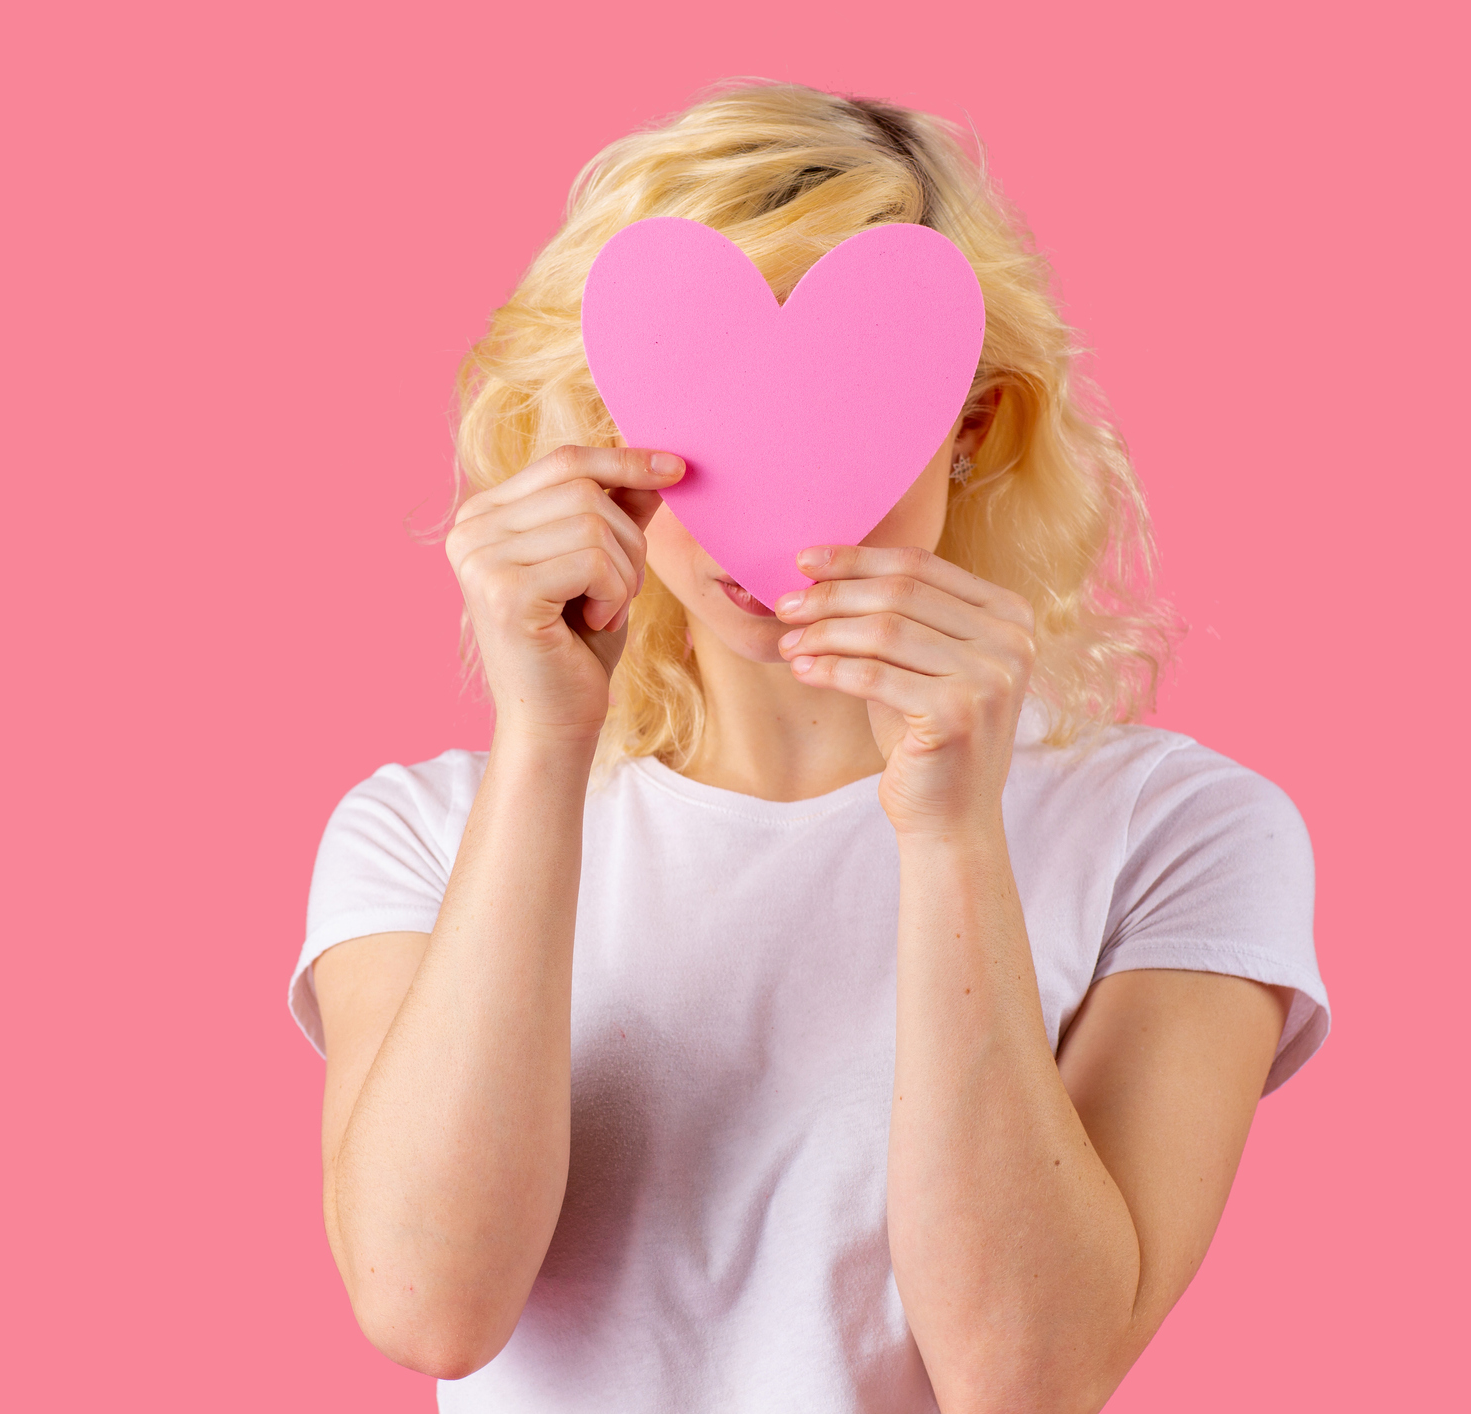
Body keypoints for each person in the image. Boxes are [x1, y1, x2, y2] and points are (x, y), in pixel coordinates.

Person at [288, 83, 1329, 1413]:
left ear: (966, 432)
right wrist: (546, 740)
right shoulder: (422, 835)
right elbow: (429, 1300)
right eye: (700, 400)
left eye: (853, 400)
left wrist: (952, 835)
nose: (774, 480)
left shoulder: (1180, 833)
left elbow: (1028, 1377)